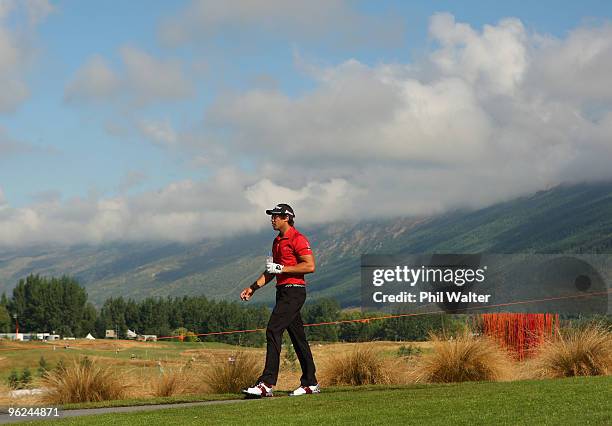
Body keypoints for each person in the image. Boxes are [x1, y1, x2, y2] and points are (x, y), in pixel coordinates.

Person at [240, 203, 320, 397]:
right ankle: (311, 383)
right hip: (282, 292)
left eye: (276, 216)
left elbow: (309, 266)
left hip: (295, 291)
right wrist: (253, 287)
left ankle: (266, 384)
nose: (272, 219)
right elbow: (271, 271)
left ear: (287, 217)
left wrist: (283, 269)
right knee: (298, 338)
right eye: (272, 216)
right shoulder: (277, 242)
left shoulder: (298, 238)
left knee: (273, 330)